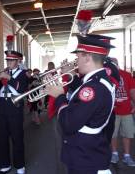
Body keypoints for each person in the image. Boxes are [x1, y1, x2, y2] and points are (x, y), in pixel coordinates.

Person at [45, 35, 116, 174]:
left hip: (85, 159)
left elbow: (68, 123)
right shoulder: (96, 81)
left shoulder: (94, 87)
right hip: (87, 153)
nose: (76, 61)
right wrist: (69, 74)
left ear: (87, 57)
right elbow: (83, 94)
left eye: (78, 57)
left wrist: (59, 96)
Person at [0, 35, 30, 174]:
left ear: (18, 61)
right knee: (1, 137)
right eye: (8, 60)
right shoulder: (4, 73)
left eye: (12, 60)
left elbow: (21, 88)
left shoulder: (23, 74)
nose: (9, 62)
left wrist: (9, 78)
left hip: (15, 106)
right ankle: (4, 164)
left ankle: (20, 166)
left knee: (17, 137)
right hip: (1, 106)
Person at [109, 59, 135, 167]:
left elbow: (132, 91)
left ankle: (127, 156)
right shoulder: (106, 74)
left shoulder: (126, 75)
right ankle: (114, 154)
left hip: (126, 111)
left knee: (127, 134)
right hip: (112, 111)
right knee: (112, 134)